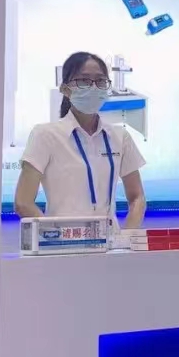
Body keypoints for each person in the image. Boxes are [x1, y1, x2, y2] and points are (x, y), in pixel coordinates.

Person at [15, 51, 147, 226]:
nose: (93, 87)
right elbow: (23, 202)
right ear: (65, 89)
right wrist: (54, 236)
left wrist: (126, 236)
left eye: (100, 81)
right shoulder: (45, 135)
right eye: (84, 81)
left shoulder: (120, 137)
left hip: (110, 241)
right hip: (63, 240)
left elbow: (137, 197)